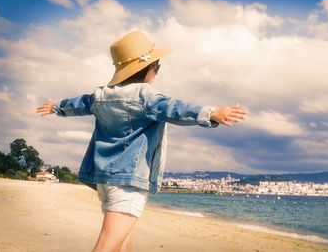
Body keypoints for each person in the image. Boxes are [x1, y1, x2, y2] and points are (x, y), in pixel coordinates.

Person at [36, 30, 246, 252]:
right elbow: (175, 109)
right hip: (128, 181)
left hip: (105, 180)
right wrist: (211, 113)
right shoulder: (147, 96)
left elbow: (79, 103)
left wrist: (56, 106)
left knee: (122, 242)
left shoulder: (100, 95)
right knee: (107, 244)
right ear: (146, 68)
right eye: (157, 66)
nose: (157, 71)